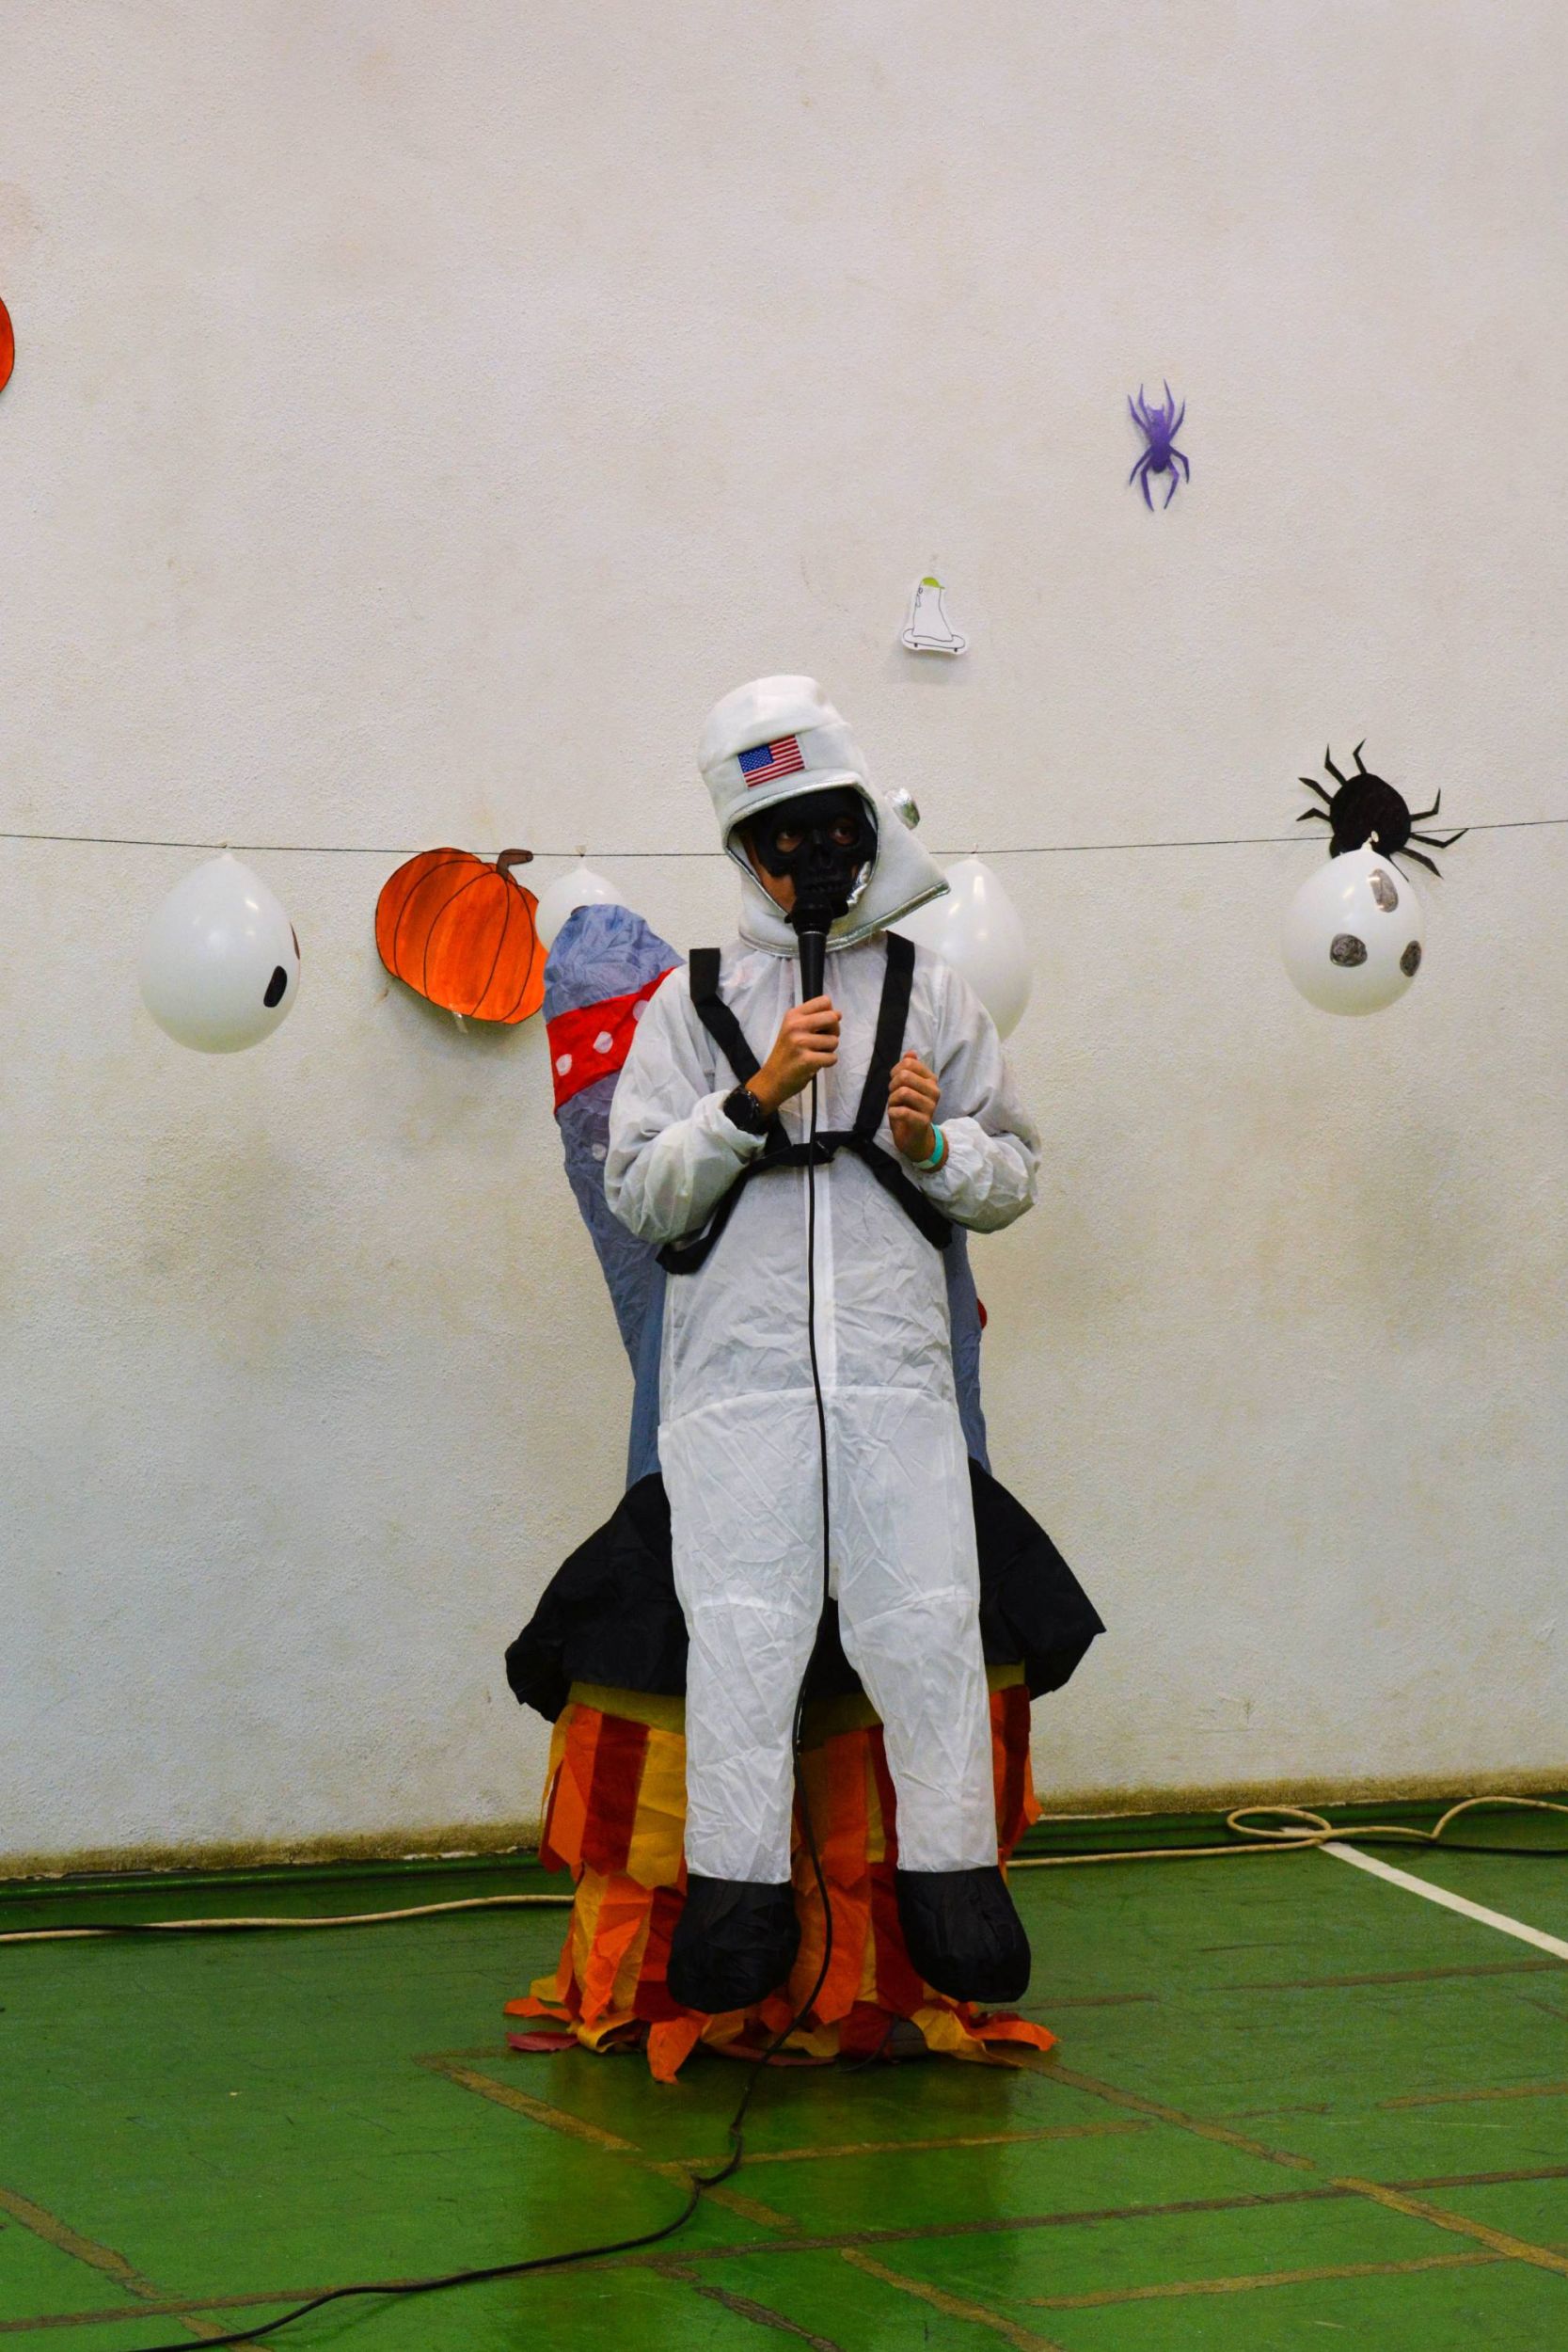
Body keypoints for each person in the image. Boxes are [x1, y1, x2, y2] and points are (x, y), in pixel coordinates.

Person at [605, 676, 1040, 2015]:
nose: (810, 856)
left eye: (831, 826)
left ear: (864, 826)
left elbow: (1014, 1175)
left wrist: (932, 1143)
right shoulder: (686, 1007)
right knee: (741, 1636)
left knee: (927, 1621)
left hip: (897, 1383)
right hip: (736, 1392)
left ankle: (957, 1884)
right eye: (779, 833)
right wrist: (751, 1100)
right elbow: (641, 1194)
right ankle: (733, 1904)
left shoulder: (934, 995)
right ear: (743, 848)